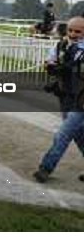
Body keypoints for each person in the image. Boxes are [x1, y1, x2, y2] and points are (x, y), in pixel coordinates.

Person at [33, 18, 84, 183]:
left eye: (78, 31)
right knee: (78, 135)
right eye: (70, 30)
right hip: (66, 96)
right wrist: (51, 68)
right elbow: (51, 62)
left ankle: (45, 168)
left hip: (81, 100)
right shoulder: (61, 46)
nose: (73, 34)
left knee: (63, 134)